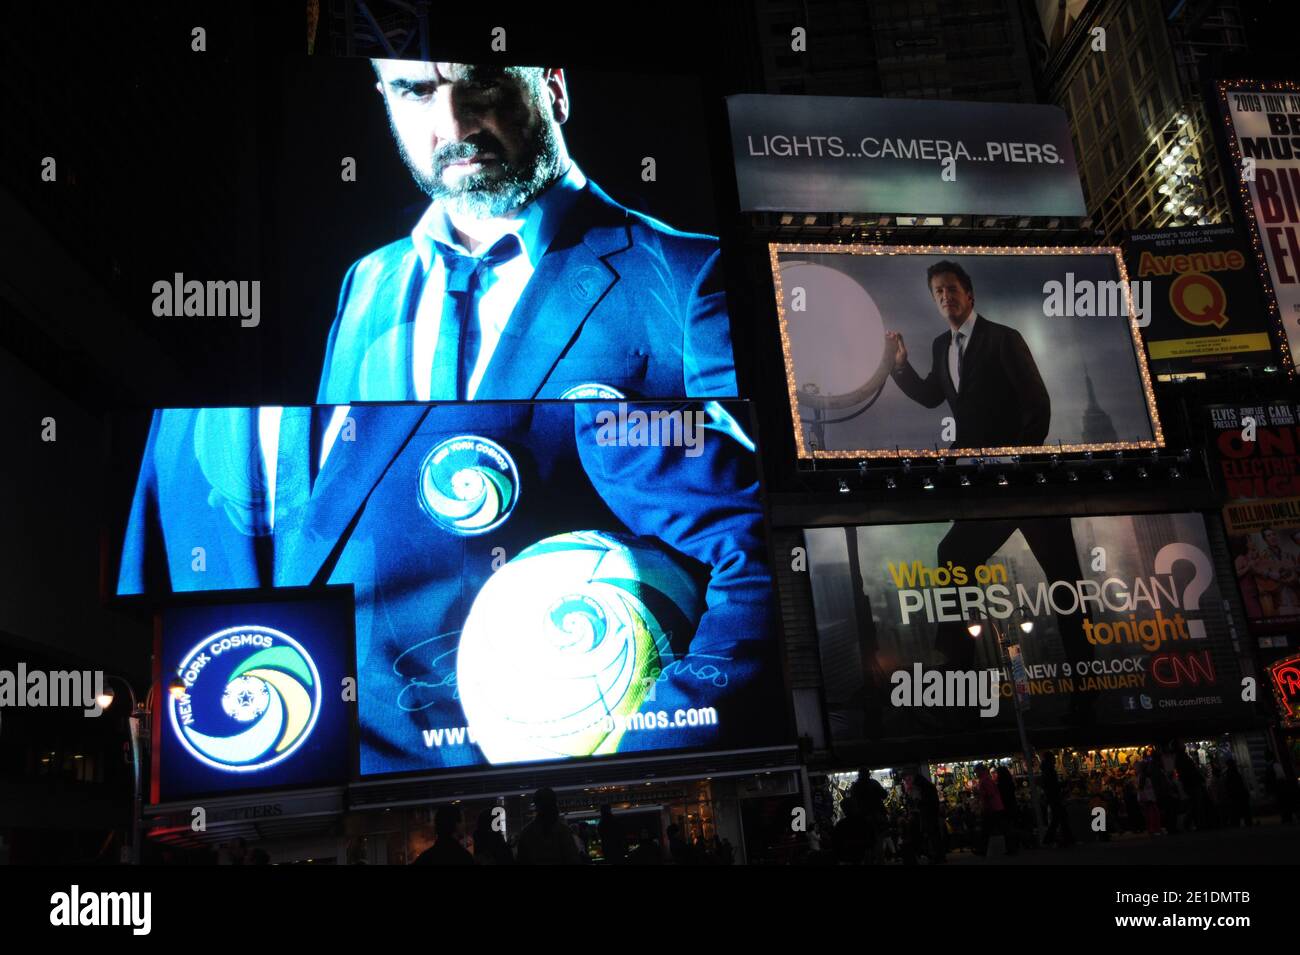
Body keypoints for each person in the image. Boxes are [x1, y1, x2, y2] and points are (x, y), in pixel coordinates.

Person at [317, 60, 736, 404]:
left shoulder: (693, 278)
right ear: (387, 101)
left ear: (553, 89)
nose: (454, 128)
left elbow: (736, 493)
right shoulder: (367, 281)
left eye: (483, 82)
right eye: (415, 91)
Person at [885, 260, 1050, 451]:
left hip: (1006, 464)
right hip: (965, 461)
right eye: (939, 291)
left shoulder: (1004, 338)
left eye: (952, 289)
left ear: (969, 295)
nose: (945, 296)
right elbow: (930, 396)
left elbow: (1038, 407)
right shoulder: (940, 345)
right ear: (934, 300)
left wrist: (1018, 458)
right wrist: (900, 365)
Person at [515, 788, 583, 865]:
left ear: (536, 806)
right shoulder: (564, 831)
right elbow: (573, 860)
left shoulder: (527, 833)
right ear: (555, 804)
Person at [1041, 752, 1073, 847]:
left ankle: (1064, 839)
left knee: (1059, 818)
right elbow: (1054, 786)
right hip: (1055, 798)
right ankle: (1052, 839)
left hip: (1052, 798)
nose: (1055, 760)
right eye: (1053, 758)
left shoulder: (1046, 771)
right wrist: (1064, 783)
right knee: (1060, 818)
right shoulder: (1050, 771)